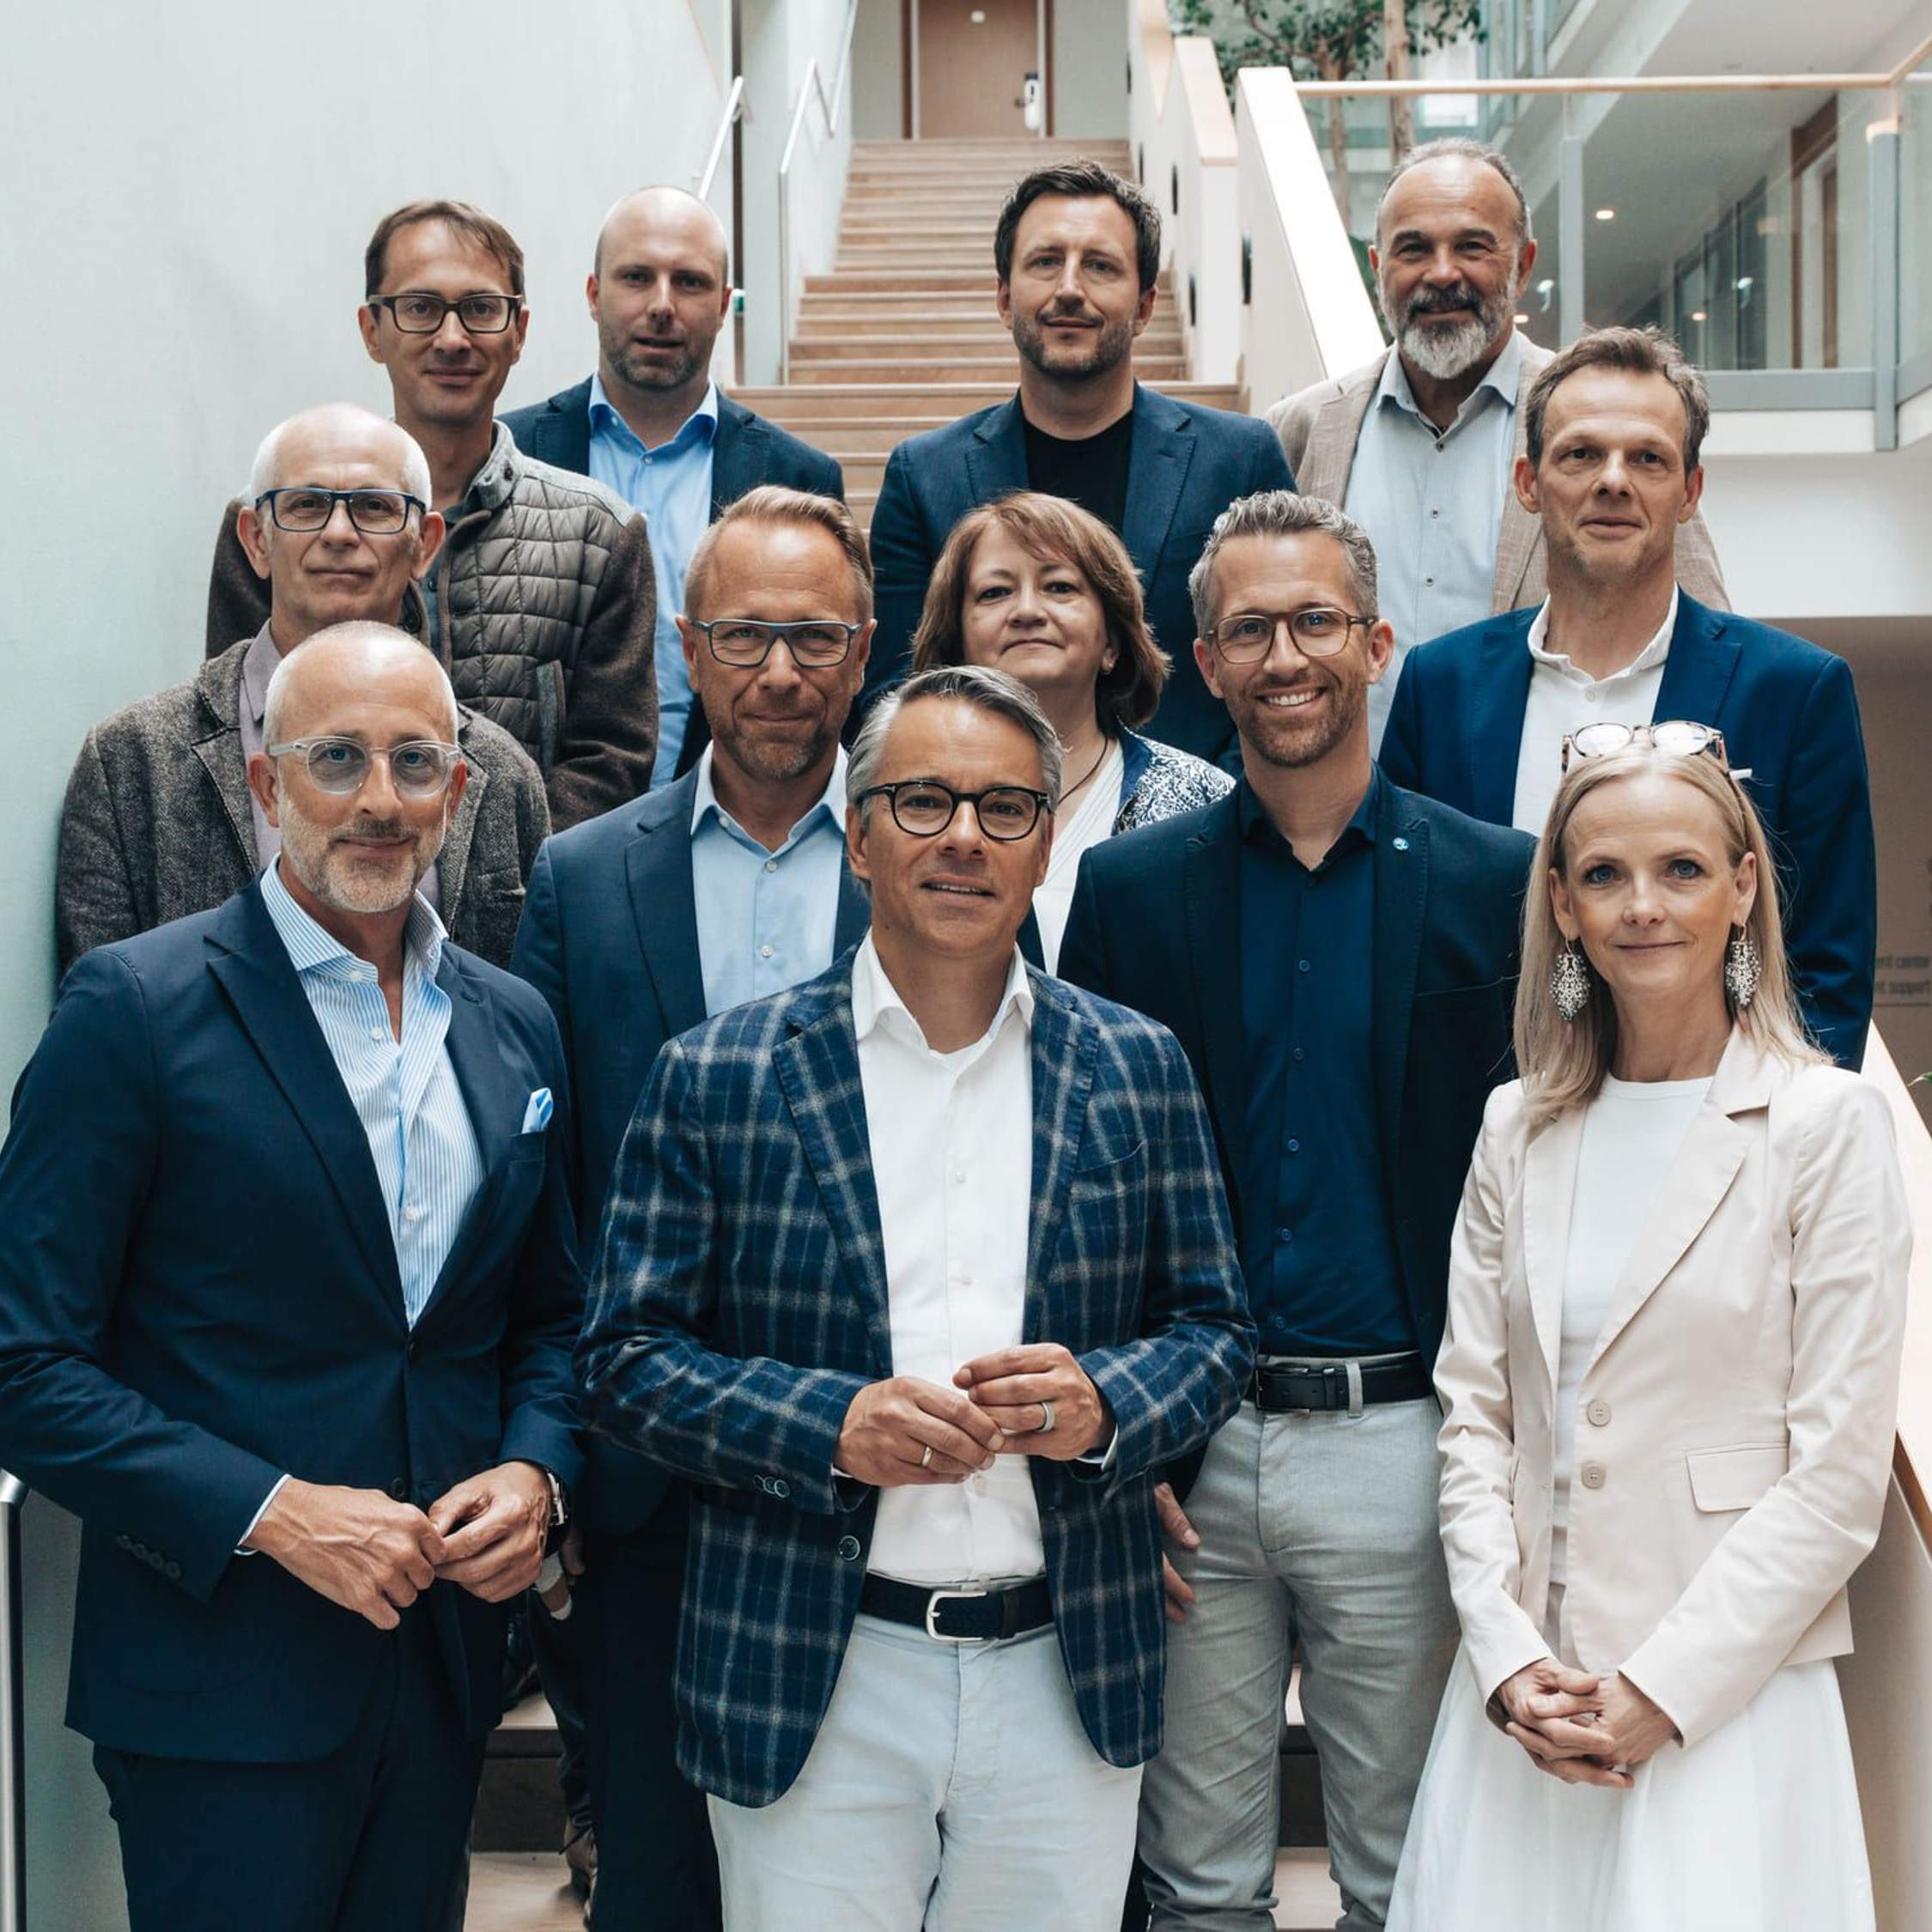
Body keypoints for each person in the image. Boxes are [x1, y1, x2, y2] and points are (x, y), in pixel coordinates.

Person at [576, 665, 1255, 1931]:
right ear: (860, 834)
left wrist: (1105, 1402)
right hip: (814, 1670)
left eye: (1005, 808)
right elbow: (624, 1360)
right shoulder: (719, 1075)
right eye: (924, 800)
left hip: (1064, 1664)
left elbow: (1216, 1332)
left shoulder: (1136, 1063)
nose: (963, 837)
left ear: (1044, 844)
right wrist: (827, 1427)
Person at [0, 623, 584, 1932]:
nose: (379, 798)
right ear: (266, 785)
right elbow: (21, 1365)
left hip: (441, 1669)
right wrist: (271, 1511)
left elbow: (545, 1318)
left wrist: (536, 1472)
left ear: (460, 793)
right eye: (336, 758)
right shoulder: (133, 1010)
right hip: (219, 1683)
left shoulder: (513, 1023)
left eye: (414, 762)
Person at [1056, 492, 1534, 1930]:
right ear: (1205, 662)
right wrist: (1125, 1436)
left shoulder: (1501, 882)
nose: (1285, 656)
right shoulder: (1128, 892)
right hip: (1197, 1457)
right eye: (1249, 628)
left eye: (1316, 620)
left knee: (1406, 1875)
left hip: (1403, 1441)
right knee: (1198, 1883)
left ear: (1376, 644)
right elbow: (1088, 1182)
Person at [1388, 729, 1910, 1932]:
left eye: (1680, 869)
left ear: (1742, 888)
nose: (1642, 906)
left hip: (1723, 1706)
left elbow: (1835, 1481)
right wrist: (1508, 1658)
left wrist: (1661, 1692)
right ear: (1561, 905)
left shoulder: (1825, 1126)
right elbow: (1474, 1421)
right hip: (1531, 1709)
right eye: (1604, 874)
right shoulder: (1515, 1126)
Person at [508, 486, 876, 1930]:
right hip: (646, 1469)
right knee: (658, 1877)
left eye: (813, 637)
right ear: (684, 645)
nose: (778, 672)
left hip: (874, 1460)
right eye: (742, 636)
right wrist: (556, 1445)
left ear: (863, 649)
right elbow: (547, 1187)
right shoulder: (581, 876)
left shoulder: (932, 860)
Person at [1380, 325, 1874, 1068]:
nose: (1613, 480)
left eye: (1648, 458)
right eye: (1581, 454)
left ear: (1689, 492)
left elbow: (1830, 970)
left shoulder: (1796, 691)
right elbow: (1402, 937)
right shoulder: (1438, 686)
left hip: (1721, 1120)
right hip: (1487, 1120)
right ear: (1528, 483)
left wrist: (1773, 1132)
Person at [204, 198, 658, 828]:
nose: (452, 339)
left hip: (522, 881)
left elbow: (612, 761)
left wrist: (477, 864)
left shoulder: (599, 535)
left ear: (519, 331)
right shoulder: (279, 524)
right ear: (372, 329)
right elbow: (234, 725)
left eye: (481, 309)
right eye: (419, 308)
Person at [1267, 139, 1725, 750]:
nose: (1442, 273)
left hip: (1544, 798)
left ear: (1523, 265)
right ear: (1378, 268)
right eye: (1413, 249)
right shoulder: (1301, 431)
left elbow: (1705, 644)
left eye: (1472, 246)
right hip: (1348, 802)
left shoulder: (1604, 425)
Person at [58, 404, 547, 973]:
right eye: (307, 505)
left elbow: (520, 1007)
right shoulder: (131, 761)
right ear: (256, 540)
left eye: (374, 507)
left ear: (424, 544)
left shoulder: (501, 771)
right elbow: (101, 1005)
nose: (339, 533)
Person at [867, 160, 1295, 767]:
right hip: (985, 808)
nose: (1069, 288)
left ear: (1144, 306)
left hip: (1204, 812)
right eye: (1046, 262)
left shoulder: (1241, 459)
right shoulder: (923, 475)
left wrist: (1208, 806)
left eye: (1100, 266)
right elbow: (895, 689)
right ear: (1004, 298)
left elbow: (1276, 656)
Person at [503, 185, 846, 787]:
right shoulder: (513, 451)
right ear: (594, 294)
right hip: (553, 815)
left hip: (725, 809)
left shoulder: (799, 476)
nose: (662, 305)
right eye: (637, 277)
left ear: (725, 304)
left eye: (689, 282)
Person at [908, 490, 1230, 969]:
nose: (1027, 611)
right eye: (995, 592)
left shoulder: (1206, 800)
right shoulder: (904, 796)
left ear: (1112, 643)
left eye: (1059, 587)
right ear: (957, 641)